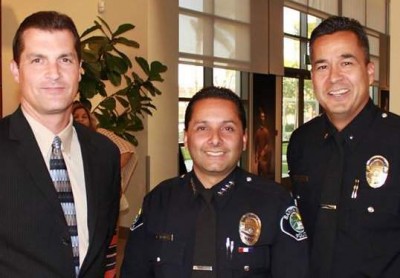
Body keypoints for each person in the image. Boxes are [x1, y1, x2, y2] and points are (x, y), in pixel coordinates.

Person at [121, 86, 308, 277]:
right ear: (186, 138)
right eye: (202, 128)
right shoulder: (158, 201)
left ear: (243, 139)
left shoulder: (275, 202)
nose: (215, 139)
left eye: (228, 128)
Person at [0, 11, 121, 277]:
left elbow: (104, 251)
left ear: (79, 69)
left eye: (64, 59)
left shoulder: (105, 154)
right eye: (37, 60)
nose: (53, 73)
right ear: (16, 70)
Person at [287, 16, 400, 277]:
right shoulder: (302, 143)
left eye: (346, 63)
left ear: (369, 71)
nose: (334, 78)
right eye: (322, 66)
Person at [72, 101, 138, 277]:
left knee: (107, 244)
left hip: (103, 202)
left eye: (83, 116)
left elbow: (127, 150)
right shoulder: (66, 141)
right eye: (75, 117)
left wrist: (108, 172)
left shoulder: (100, 134)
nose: (80, 120)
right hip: (78, 205)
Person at [254, 108, 273, 177]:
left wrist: (264, 152)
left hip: (265, 155)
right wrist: (256, 155)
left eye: (263, 117)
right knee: (259, 172)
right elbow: (255, 144)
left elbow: (268, 143)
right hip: (260, 154)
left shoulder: (266, 131)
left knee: (265, 172)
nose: (262, 118)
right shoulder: (258, 131)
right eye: (261, 117)